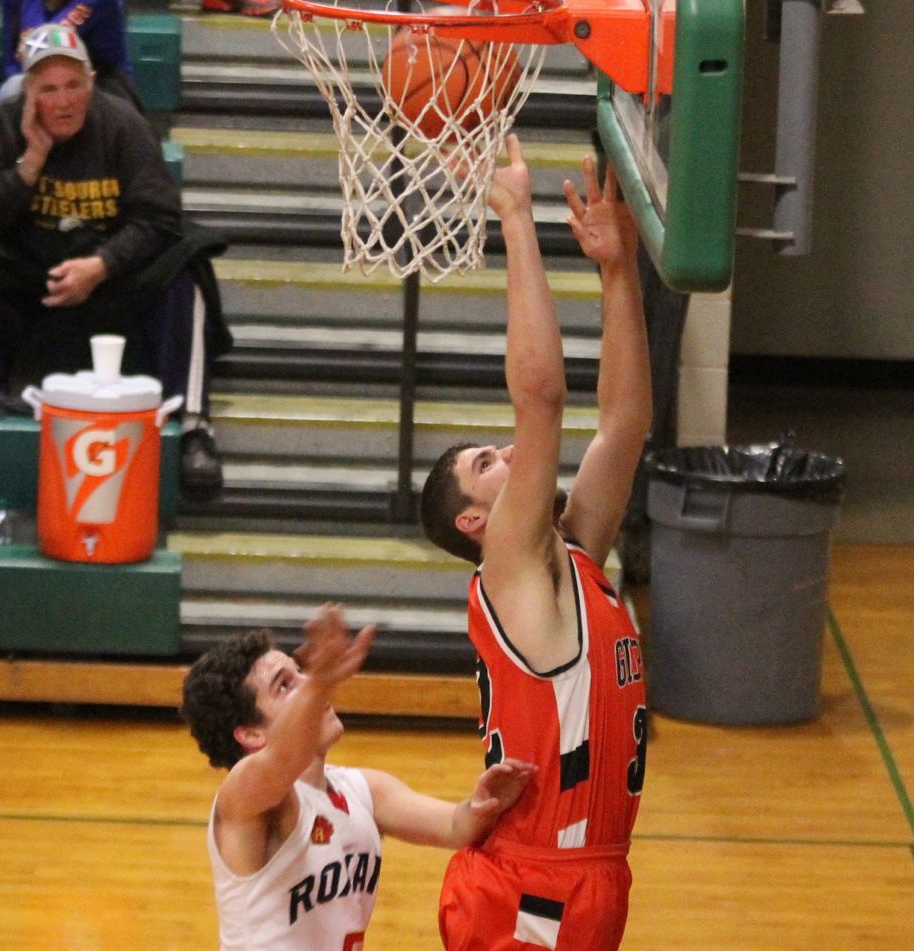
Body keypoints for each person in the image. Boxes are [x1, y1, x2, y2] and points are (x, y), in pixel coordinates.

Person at [417, 135, 650, 950]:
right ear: (473, 523)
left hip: (586, 877)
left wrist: (618, 271)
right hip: (527, 890)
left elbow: (623, 422)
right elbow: (542, 398)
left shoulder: (570, 556)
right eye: (487, 463)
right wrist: (515, 216)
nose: (512, 452)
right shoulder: (509, 565)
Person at [0, 24, 229, 497]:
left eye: (73, 85)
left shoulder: (123, 124)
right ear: (28, 92)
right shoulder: (2, 124)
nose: (63, 101)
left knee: (188, 266)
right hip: (33, 270)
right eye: (48, 89)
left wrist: (101, 265)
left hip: (109, 270)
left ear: (91, 84)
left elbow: (159, 216)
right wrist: (31, 162)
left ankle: (194, 424)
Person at [181, 605, 537, 949]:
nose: (306, 683)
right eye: (285, 686)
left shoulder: (364, 790)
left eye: (301, 672)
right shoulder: (242, 800)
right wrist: (320, 682)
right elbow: (281, 758)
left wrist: (483, 804)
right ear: (251, 734)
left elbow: (456, 827)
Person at [0, 0, 139, 108]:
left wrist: (29, 48)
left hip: (102, 84)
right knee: (13, 89)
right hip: (42, 80)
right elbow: (13, 61)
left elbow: (48, 42)